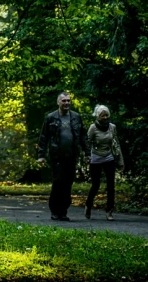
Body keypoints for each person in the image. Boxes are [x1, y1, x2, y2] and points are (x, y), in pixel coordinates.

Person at [37, 92, 87, 221]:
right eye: (64, 101)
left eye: (68, 101)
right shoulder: (51, 117)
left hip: (71, 155)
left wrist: (88, 153)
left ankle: (63, 211)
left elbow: (83, 137)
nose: (66, 103)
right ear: (58, 102)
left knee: (68, 183)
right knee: (58, 182)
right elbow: (44, 137)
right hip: (57, 155)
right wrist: (41, 155)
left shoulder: (76, 117)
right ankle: (55, 211)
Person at [84, 104, 124, 221]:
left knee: (111, 185)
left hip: (108, 157)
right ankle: (88, 205)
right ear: (97, 116)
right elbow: (87, 142)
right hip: (96, 158)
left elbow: (116, 144)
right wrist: (87, 156)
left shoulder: (112, 127)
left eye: (107, 115)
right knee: (96, 185)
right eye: (102, 115)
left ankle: (109, 211)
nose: (105, 117)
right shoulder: (93, 128)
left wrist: (121, 161)